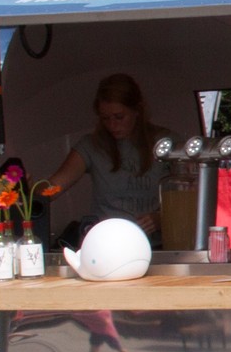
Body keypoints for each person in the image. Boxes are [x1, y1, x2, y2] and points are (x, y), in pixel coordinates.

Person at [44, 73, 170, 247]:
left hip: (157, 248)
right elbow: (53, 187)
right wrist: (25, 192)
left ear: (137, 111)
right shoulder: (92, 146)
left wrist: (161, 218)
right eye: (105, 118)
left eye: (119, 117)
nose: (112, 125)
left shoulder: (165, 143)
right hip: (106, 247)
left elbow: (192, 199)